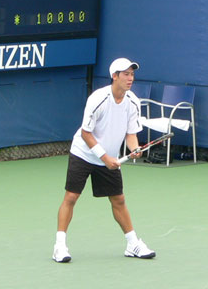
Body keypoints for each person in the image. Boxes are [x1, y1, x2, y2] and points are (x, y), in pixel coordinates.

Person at [53, 57, 156, 263]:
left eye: (132, 74)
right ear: (114, 76)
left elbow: (131, 133)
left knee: (118, 200)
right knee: (71, 197)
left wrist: (134, 149)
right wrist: (105, 157)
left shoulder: (133, 102)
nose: (130, 78)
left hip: (109, 158)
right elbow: (85, 133)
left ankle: (133, 243)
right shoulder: (98, 98)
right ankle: (60, 246)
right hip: (84, 153)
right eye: (126, 74)